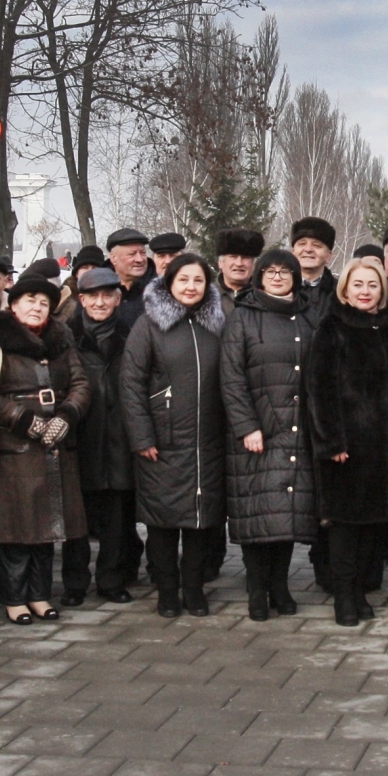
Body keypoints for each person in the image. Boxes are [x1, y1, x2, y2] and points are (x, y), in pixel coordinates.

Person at [0, 275, 91, 624]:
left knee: (49, 526)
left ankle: (40, 595)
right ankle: (14, 597)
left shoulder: (62, 342)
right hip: (12, 449)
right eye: (29, 300)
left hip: (56, 445)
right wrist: (22, 420)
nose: (37, 306)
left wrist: (67, 415)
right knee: (16, 528)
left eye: (43, 302)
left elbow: (80, 384)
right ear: (13, 305)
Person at [121, 252, 227, 615]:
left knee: (200, 522)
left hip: (208, 441)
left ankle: (193, 587)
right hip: (162, 443)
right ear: (169, 283)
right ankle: (167, 590)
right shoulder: (149, 325)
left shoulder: (218, 323)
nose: (191, 287)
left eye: (198, 280)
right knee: (163, 523)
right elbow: (131, 383)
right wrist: (142, 437)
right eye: (183, 280)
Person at [308, 258, 388, 624]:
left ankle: (362, 590)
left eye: (372, 285)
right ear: (345, 289)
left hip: (382, 447)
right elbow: (319, 390)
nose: (365, 292)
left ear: (381, 290)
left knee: (372, 524)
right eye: (358, 285)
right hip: (345, 446)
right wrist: (331, 441)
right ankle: (344, 595)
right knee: (344, 525)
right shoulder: (331, 328)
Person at [221, 248, 318, 619]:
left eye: (285, 271)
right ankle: (257, 589)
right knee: (256, 513)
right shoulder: (243, 318)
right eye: (270, 271)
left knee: (287, 515)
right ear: (259, 277)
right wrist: (247, 426)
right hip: (257, 432)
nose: (277, 277)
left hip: (298, 430)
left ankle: (280, 586)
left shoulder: (307, 317)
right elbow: (231, 378)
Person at [63, 266, 141, 604]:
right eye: (92, 295)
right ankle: (75, 584)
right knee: (76, 520)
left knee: (116, 517)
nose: (100, 302)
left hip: (119, 437)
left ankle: (112, 579)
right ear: (81, 299)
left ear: (118, 298)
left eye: (107, 295)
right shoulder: (66, 337)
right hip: (80, 436)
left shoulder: (133, 336)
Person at [107, 227, 155, 333]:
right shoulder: (96, 288)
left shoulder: (161, 289)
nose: (140, 259)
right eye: (132, 254)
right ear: (113, 258)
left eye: (143, 253)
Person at [290, 217, 339, 302]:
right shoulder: (278, 289)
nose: (308, 249)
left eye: (316, 245)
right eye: (302, 244)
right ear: (293, 252)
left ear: (328, 256)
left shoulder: (341, 293)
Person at [215, 229, 264, 297]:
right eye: (233, 257)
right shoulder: (206, 297)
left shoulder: (264, 298)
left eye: (245, 258)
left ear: (254, 264)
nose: (239, 263)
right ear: (220, 262)